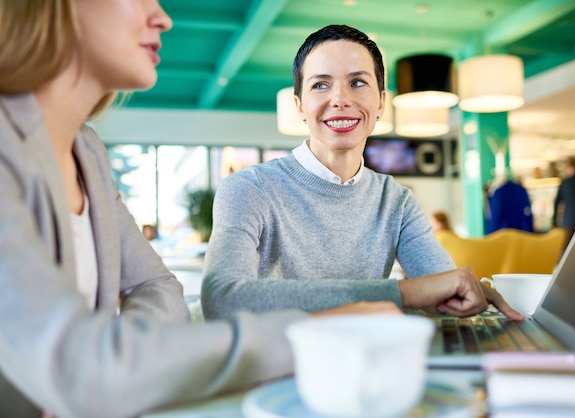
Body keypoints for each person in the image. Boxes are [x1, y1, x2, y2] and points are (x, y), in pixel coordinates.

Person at [0, 3, 399, 417]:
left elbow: (154, 286)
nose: (162, 18)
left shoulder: (87, 152)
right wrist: (315, 334)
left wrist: (127, 359)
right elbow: (85, 370)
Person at [201, 25, 522, 321]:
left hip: (373, 367)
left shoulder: (397, 201)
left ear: (381, 102)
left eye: (358, 83)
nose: (340, 99)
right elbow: (222, 298)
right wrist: (402, 293)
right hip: (277, 370)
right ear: (299, 105)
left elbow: (449, 294)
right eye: (320, 84)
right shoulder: (248, 188)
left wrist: (468, 296)